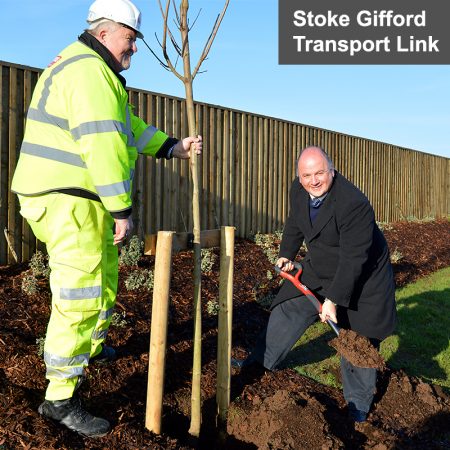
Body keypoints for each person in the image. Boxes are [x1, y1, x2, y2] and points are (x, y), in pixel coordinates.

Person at [11, 0, 202, 438]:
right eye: (130, 38)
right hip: (68, 200)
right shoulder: (89, 73)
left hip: (75, 200)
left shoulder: (92, 72)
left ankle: (92, 349)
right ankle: (60, 398)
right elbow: (104, 145)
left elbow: (126, 127)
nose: (134, 47)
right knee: (79, 293)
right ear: (104, 33)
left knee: (105, 275)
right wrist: (122, 209)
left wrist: (171, 146)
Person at [238, 146, 397, 423]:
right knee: (287, 308)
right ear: (300, 177)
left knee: (355, 336)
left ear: (332, 171)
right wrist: (286, 253)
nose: (314, 180)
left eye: (320, 173)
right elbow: (295, 223)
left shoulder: (353, 204)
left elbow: (353, 259)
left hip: (363, 275)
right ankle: (259, 363)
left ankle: (357, 407)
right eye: (307, 175)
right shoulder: (299, 190)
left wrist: (332, 301)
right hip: (322, 265)